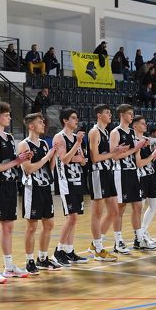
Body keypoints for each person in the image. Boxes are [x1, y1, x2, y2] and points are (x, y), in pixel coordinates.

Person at [0, 101, 33, 281]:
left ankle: (9, 266)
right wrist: (16, 161)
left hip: (10, 184)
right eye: (6, 115)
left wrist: (22, 158)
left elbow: (12, 161)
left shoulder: (10, 138)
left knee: (8, 227)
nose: (10, 117)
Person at [18, 112, 61, 272]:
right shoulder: (24, 145)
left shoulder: (43, 143)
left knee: (49, 224)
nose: (43, 124)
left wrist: (53, 156)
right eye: (40, 122)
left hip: (45, 187)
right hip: (32, 188)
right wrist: (47, 157)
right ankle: (29, 260)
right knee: (32, 226)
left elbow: (49, 168)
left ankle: (42, 258)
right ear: (31, 126)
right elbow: (28, 169)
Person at [87, 104, 127, 262]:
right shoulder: (94, 132)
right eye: (107, 113)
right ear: (99, 115)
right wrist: (113, 153)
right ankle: (98, 249)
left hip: (107, 172)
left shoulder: (105, 132)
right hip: (97, 174)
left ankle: (95, 244)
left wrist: (116, 152)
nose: (110, 115)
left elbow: (107, 155)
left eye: (110, 113)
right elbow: (95, 158)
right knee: (97, 213)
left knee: (114, 211)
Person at [52, 108, 89, 266]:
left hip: (77, 180)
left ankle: (69, 250)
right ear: (65, 120)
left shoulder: (76, 137)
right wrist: (78, 145)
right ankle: (58, 251)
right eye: (73, 118)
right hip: (65, 182)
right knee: (71, 217)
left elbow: (83, 160)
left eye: (77, 117)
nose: (76, 120)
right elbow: (65, 159)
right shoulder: (59, 137)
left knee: (74, 218)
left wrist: (80, 157)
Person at [110, 104, 149, 254]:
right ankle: (118, 241)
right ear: (122, 115)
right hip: (121, 172)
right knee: (120, 208)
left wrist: (140, 147)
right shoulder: (115, 132)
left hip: (133, 172)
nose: (132, 116)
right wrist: (135, 148)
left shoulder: (133, 133)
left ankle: (138, 239)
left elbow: (136, 154)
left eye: (132, 114)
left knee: (138, 206)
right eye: (129, 114)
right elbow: (114, 156)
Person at [132, 116, 156, 250]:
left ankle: (144, 231)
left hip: (150, 175)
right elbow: (139, 163)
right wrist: (153, 155)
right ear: (135, 126)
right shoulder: (134, 141)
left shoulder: (146, 140)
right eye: (142, 123)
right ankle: (139, 237)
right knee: (139, 209)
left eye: (145, 123)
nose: (145, 125)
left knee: (154, 205)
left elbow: (149, 159)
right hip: (140, 177)